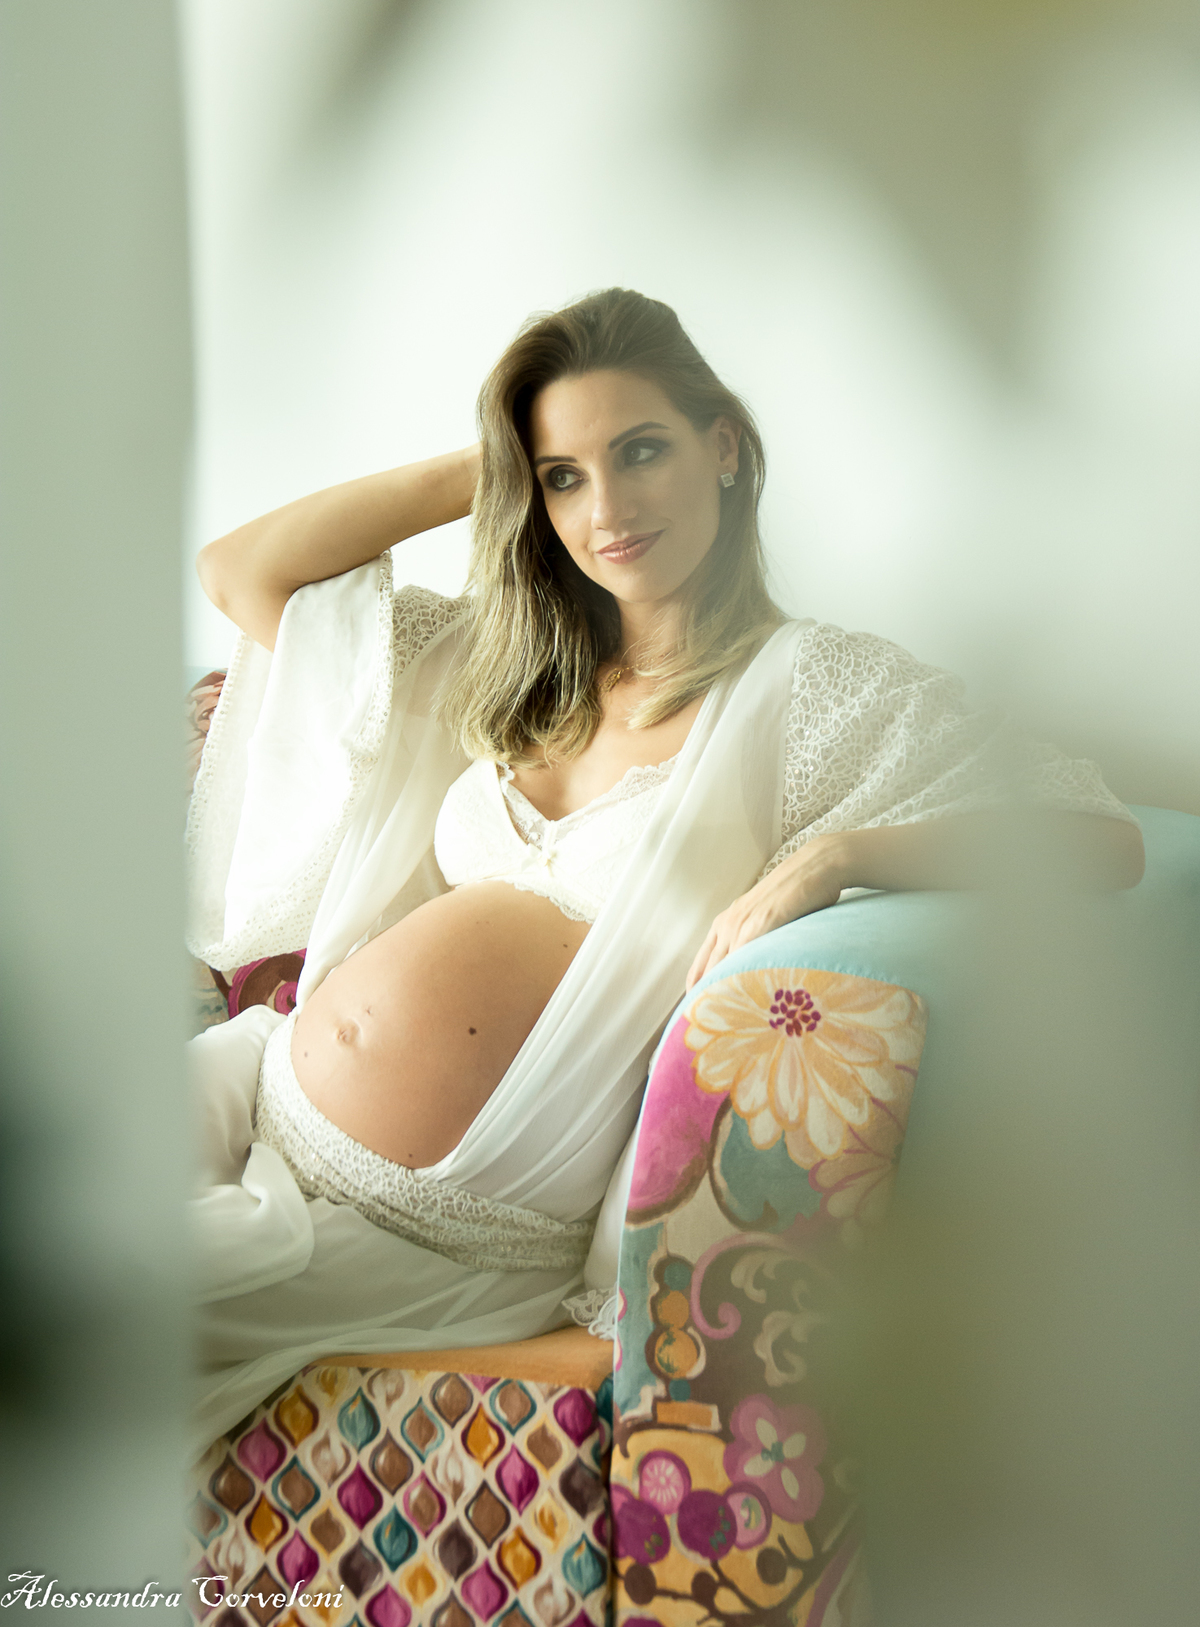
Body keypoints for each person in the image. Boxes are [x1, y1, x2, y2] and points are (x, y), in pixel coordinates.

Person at [186, 288, 1141, 1450]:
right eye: (565, 476)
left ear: (723, 447)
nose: (608, 509)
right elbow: (242, 572)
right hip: (251, 1086)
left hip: (429, 1230)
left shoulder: (807, 689)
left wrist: (837, 855)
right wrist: (493, 465)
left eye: (640, 451)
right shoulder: (503, 658)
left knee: (87, 1320)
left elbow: (1094, 831)